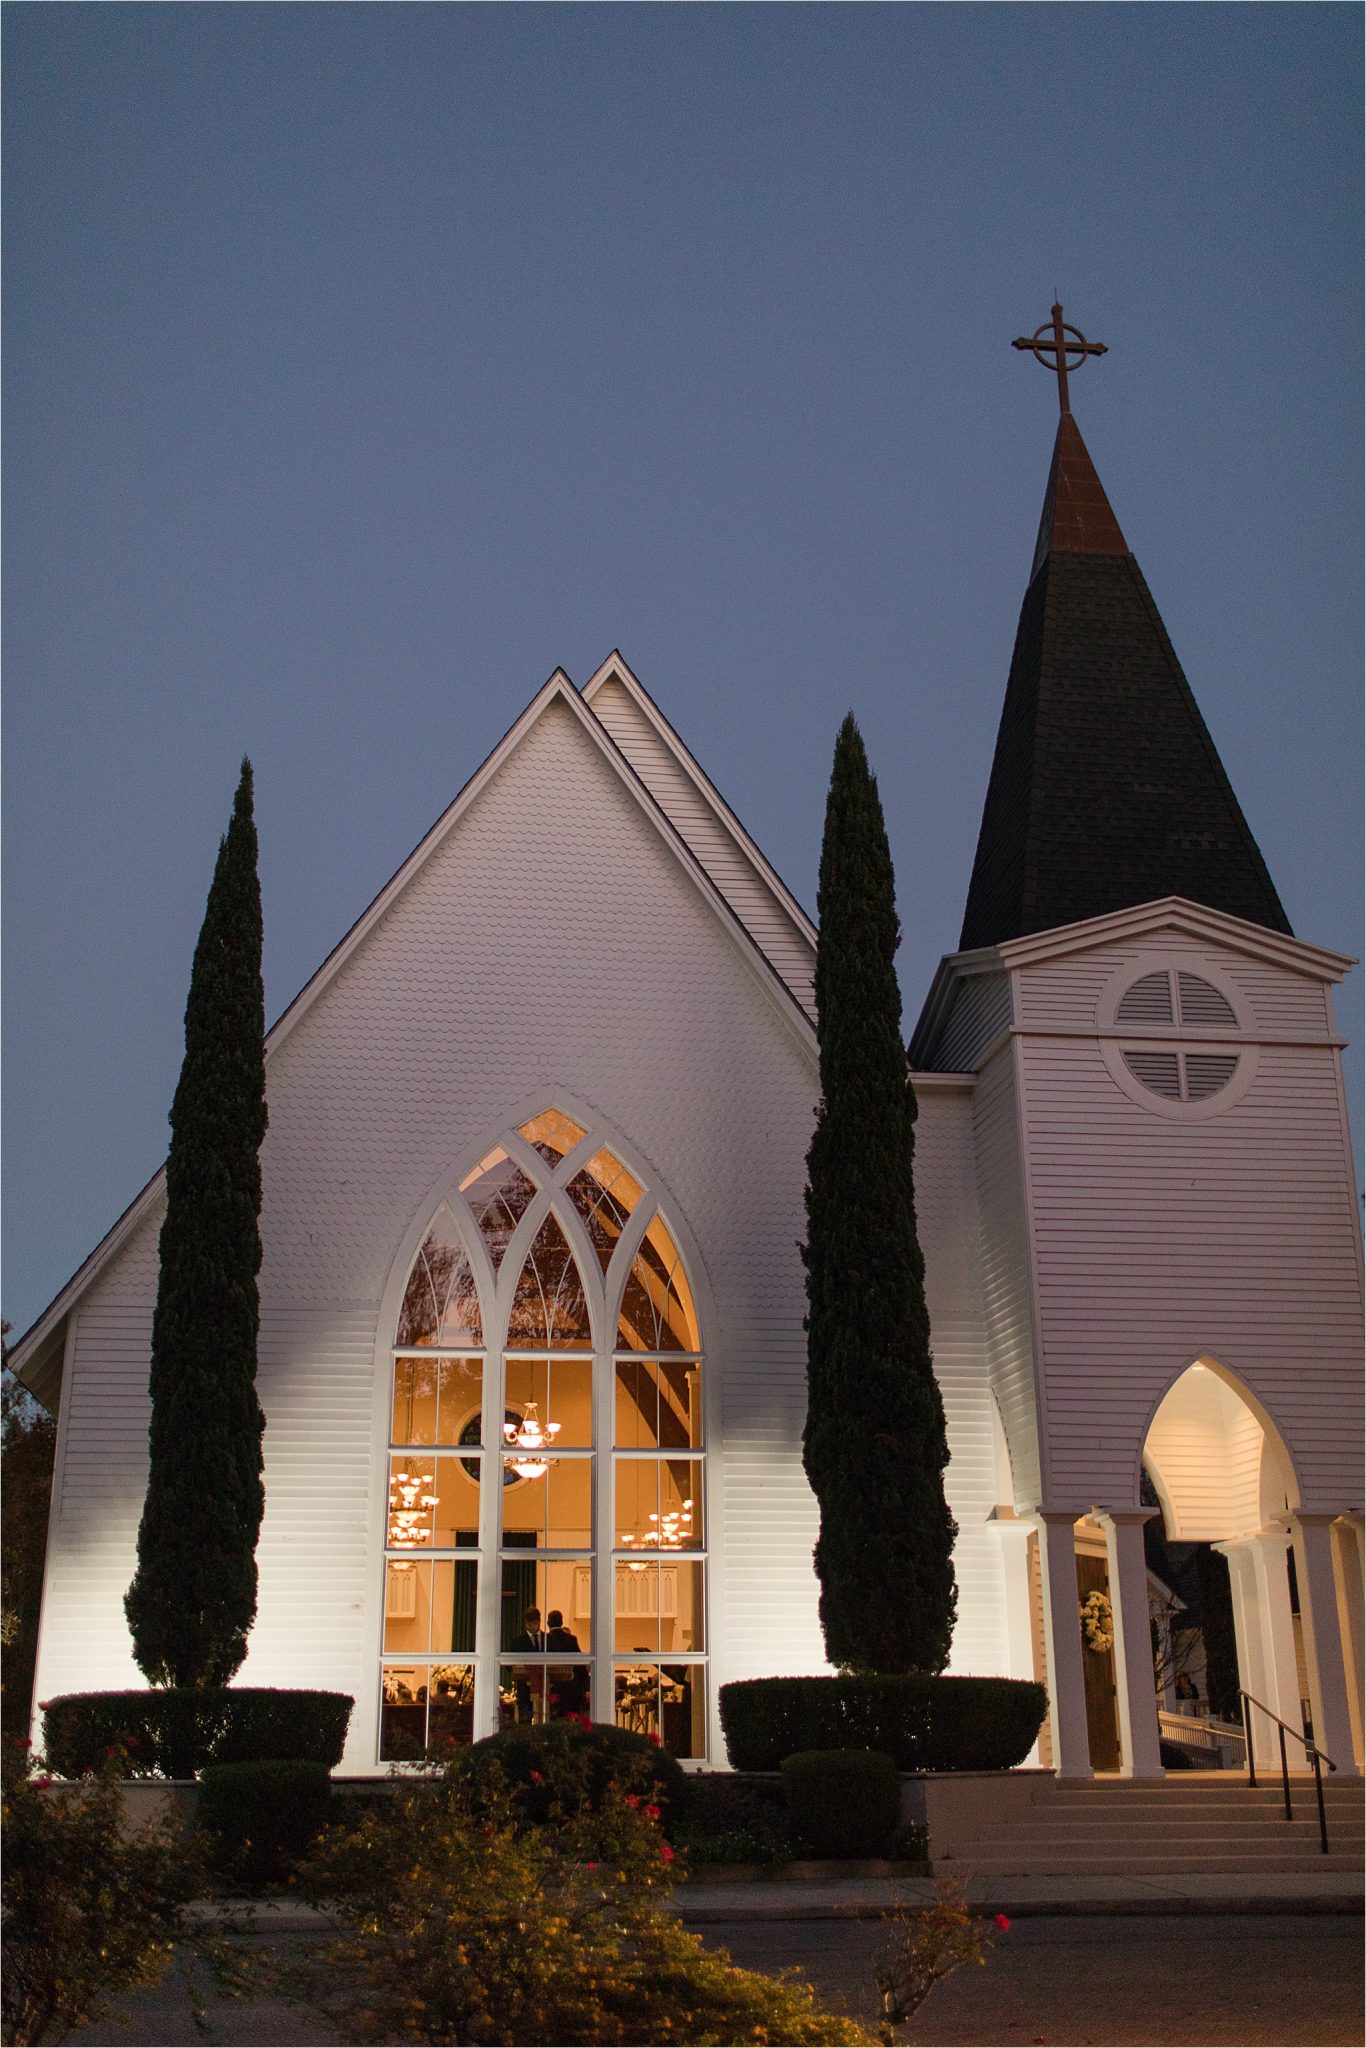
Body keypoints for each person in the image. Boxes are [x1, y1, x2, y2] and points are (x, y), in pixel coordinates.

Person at [544, 1608, 589, 1717]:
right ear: (562, 1622)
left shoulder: (545, 1640)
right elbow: (580, 1665)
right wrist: (585, 1687)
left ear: (548, 1623)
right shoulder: (571, 1639)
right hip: (571, 1688)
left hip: (552, 1687)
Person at [508, 1606, 544, 1723]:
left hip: (545, 1688)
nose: (532, 1627)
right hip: (524, 1689)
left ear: (539, 1621)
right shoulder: (517, 1641)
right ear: (525, 1623)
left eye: (535, 1623)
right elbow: (509, 1664)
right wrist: (518, 1672)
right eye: (529, 1624)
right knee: (524, 1724)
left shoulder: (549, 1639)